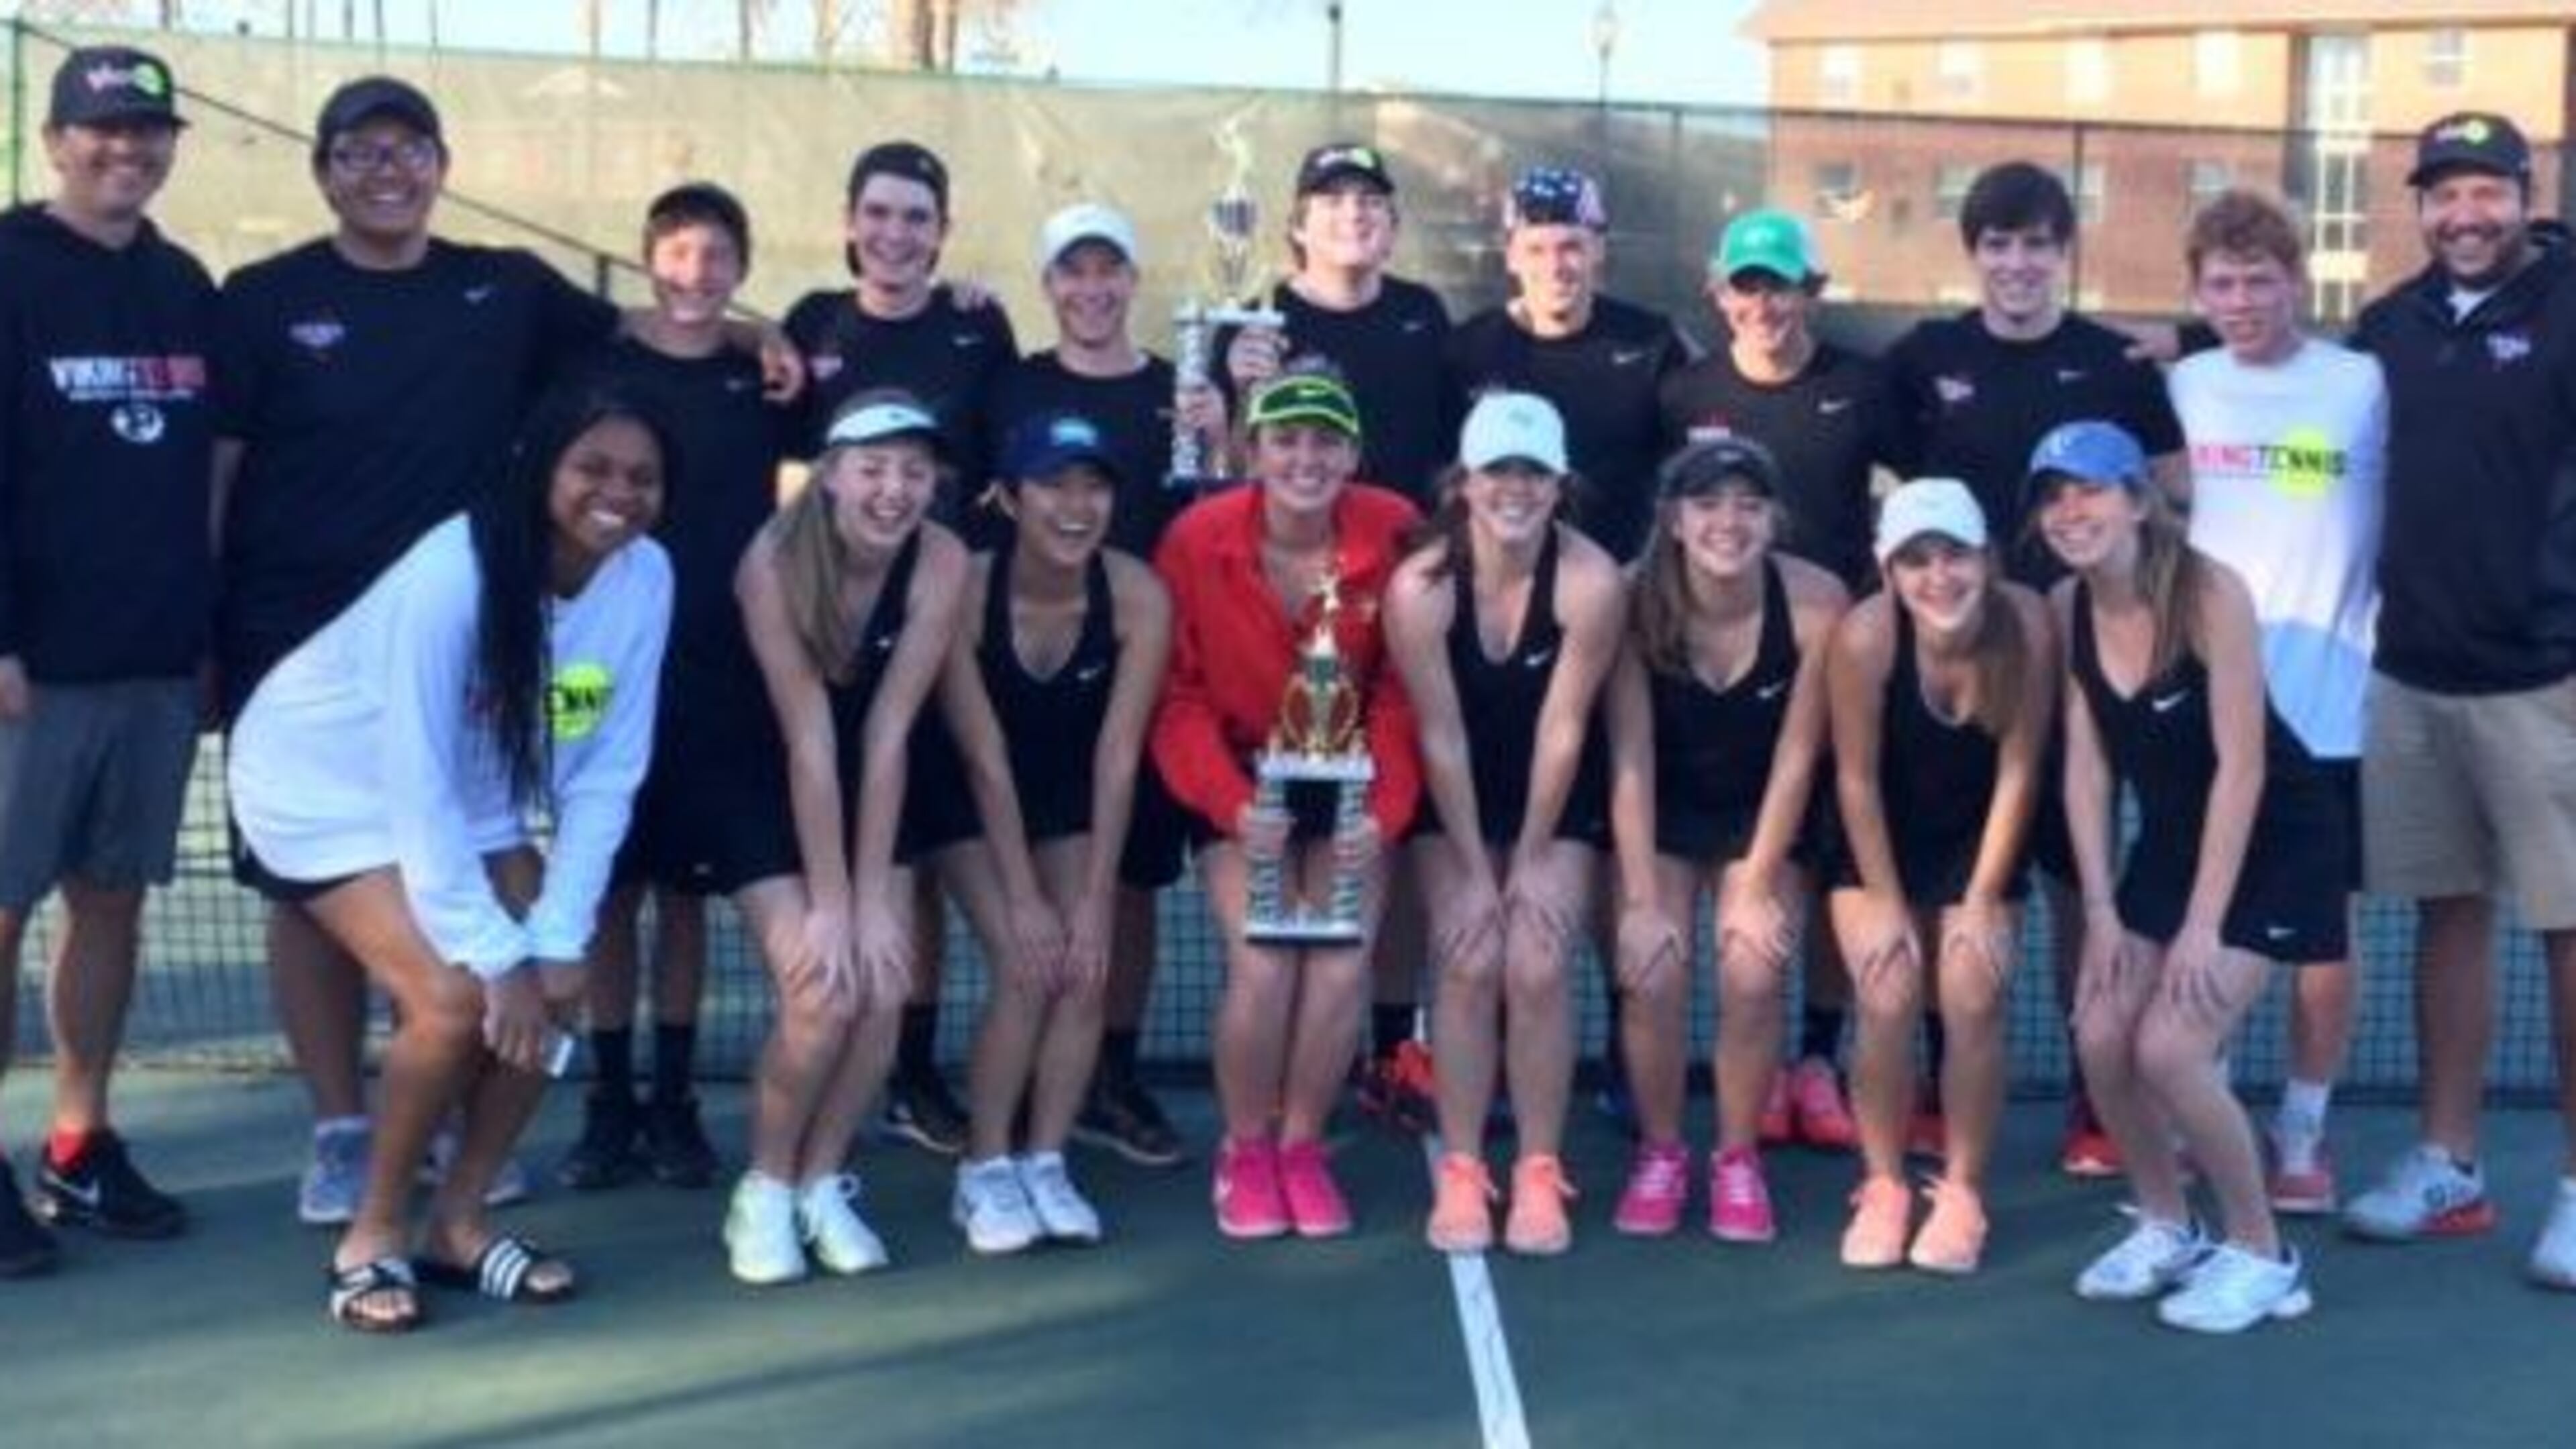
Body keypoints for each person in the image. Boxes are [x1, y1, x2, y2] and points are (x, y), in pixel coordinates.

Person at [214, 75, 783, 1225]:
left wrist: (753, 329)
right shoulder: (265, 297)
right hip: (313, 682)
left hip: (480, 666)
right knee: (379, 945)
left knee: (517, 967)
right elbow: (220, 466)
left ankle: (453, 1181)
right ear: (325, 170)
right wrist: (210, 627)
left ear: (441, 164)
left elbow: (637, 332)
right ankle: (347, 1140)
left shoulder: (507, 290)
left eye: (409, 148)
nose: (386, 170)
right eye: (361, 151)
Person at [227, 383, 674, 1332]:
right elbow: (415, 779)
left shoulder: (648, 579)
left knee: (564, 986)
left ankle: (459, 1224)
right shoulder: (454, 573)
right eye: (593, 468)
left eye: (643, 477)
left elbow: (608, 773)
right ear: (541, 469)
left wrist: (556, 935)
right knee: (453, 999)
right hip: (323, 786)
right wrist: (491, 949)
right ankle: (373, 1234)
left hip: (472, 794)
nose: (619, 493)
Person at [1883, 161, 2186, 1177]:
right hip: (1949, 671)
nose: (2018, 264)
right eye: (1998, 245)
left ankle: (2098, 1101)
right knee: (1948, 880)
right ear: (1974, 254)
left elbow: (2174, 494)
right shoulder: (1925, 357)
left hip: (2078, 671)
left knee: (2072, 879)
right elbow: (1881, 485)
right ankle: (1933, 1082)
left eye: (2037, 245)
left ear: (2066, 253)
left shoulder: (2117, 363)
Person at [2343, 112, 2576, 1291]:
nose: (2464, 215)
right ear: (2420, 206)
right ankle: (2451, 1163)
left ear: (2524, 195)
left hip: (2550, 679)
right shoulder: (2389, 326)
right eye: (2444, 195)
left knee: (2572, 931)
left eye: (2486, 192)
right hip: (2415, 675)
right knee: (2446, 916)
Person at [0, 45, 211, 1275]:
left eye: (147, 131)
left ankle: (78, 1148)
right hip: (31, 670)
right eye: (102, 131)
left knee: (112, 904)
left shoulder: (185, 286)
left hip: (153, 664)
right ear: (54, 141)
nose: (125, 150)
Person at [2035, 420, 2318, 1333]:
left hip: (2278, 840)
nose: (2069, 512)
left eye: (2089, 489)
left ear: (2138, 501)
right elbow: (2084, 765)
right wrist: (2105, 913)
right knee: (2101, 1030)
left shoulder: (2209, 593)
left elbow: (2244, 766)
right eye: (2051, 495)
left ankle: (2265, 1254)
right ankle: (2167, 1224)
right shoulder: (2064, 605)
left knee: (2170, 1049)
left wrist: (2202, 926)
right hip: (2165, 847)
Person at [1658, 207, 1912, 1150]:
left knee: (1823, 861)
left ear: (1814, 291)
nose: (1764, 304)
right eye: (1746, 285)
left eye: (1781, 285)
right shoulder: (1684, 395)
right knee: (1723, 893)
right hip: (1715, 670)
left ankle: (1813, 1062)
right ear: (1720, 295)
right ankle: (1740, 1078)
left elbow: (1921, 494)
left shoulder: (1863, 386)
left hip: (1835, 666)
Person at [554, 182, 790, 1194]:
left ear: (742, 268)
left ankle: (675, 1102)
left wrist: (762, 333)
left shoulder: (765, 379)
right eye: (681, 254)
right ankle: (609, 1104)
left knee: (687, 906)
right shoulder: (597, 364)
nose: (698, 274)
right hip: (600, 669)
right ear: (651, 258)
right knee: (607, 891)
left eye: (719, 257)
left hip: (718, 675)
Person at [783, 140, 1016, 1156]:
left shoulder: (977, 326)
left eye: (917, 218)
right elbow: (786, 477)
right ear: (848, 222)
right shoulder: (808, 325)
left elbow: (1002, 458)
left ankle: (913, 1071)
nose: (896, 234)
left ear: (943, 232)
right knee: (857, 864)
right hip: (825, 637)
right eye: (878, 214)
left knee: (918, 861)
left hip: (945, 624)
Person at [1151, 364, 1421, 1238]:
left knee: (1341, 959)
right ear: (1251, 451)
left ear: (1353, 454)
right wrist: (1235, 808)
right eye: (1286, 440)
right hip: (1241, 784)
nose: (1306, 458)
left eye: (1326, 441)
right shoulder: (1195, 538)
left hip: (1352, 787)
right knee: (1266, 959)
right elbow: (1179, 698)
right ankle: (1245, 1146)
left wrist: (1382, 810)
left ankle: (1301, 1146)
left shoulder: (1396, 530)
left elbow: (1397, 690)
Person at [1223, 144, 1456, 1126]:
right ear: (1296, 224)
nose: (1353, 215)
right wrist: (1230, 385)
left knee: (1387, 852)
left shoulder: (1423, 318)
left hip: (1393, 600)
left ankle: (1394, 1044)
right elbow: (1212, 454)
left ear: (1392, 224)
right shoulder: (1252, 316)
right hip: (1276, 617)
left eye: (1370, 201)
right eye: (1332, 200)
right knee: (1278, 925)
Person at [2167, 189, 2386, 1216]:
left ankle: (2302, 1133)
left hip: (2334, 709)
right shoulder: (2187, 383)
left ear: (2299, 281)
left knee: (2322, 938)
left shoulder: (2364, 385)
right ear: (2198, 292)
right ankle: (2180, 1107)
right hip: (2209, 707)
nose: (2244, 299)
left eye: (2262, 279)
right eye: (2223, 282)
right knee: (2184, 904)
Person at [720, 391, 971, 1285]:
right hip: (759, 779)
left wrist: (871, 901)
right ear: (830, 476)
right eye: (872, 469)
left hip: (871, 781)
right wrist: (834, 905)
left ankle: (822, 1182)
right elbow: (809, 737)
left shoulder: (942, 560)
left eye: (912, 471)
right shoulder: (773, 560)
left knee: (886, 979)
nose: (894, 490)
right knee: (823, 989)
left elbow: (887, 732)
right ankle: (765, 1186)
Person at [913, 409, 1172, 1252]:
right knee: (1030, 965)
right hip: (964, 804)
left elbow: (1118, 757)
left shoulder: (1135, 594)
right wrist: (1024, 901)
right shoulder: (963, 590)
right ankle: (983, 1170)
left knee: (1084, 970)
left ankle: (1045, 1160)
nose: (1076, 505)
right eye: (1053, 485)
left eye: (1093, 486)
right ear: (1009, 498)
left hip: (1070, 802)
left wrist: (1096, 904)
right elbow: (982, 753)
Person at [987, 203, 1211, 1169]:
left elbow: (1227, 509)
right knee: (1025, 887)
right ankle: (1001, 1091)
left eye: (1107, 271)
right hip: (1022, 682)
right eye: (1071, 272)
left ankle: (1106, 1077)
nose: (1091, 289)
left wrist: (1229, 436)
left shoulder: (1183, 389)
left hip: (1143, 676)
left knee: (1127, 890)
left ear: (1132, 281)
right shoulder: (1008, 387)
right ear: (1047, 286)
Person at [1386, 393, 1623, 1256]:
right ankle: (1460, 1166)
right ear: (1464, 483)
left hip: (1553, 802)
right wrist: (1477, 873)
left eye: (1532, 473)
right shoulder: (1419, 587)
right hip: (1453, 800)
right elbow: (1439, 734)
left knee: (1536, 956)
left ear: (1560, 484)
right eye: (1497, 473)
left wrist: (1524, 861)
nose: (1514, 490)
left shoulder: (1592, 582)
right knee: (1467, 952)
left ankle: (1535, 1168)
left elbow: (1564, 730)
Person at [1605, 438, 1847, 1242]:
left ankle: (1737, 1158)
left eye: (1748, 504)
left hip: (1764, 818)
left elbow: (1799, 752)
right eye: (1708, 504)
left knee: (1752, 970)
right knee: (1653, 971)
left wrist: (1754, 882)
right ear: (1674, 519)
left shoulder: (1817, 603)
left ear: (1774, 518)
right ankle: (1664, 1152)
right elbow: (1630, 754)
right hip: (1664, 813)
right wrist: (1639, 899)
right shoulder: (1633, 599)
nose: (1728, 522)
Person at [1825, 478, 2051, 1274]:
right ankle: (1884, 1184)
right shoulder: (1864, 639)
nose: (1938, 576)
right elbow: (1853, 781)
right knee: (1887, 992)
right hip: (1876, 835)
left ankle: (1961, 1190)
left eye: (1954, 555)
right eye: (1916, 561)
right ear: (1889, 573)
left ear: (1986, 559)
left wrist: (1986, 899)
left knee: (1973, 991)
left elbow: (2021, 768)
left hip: (1978, 835)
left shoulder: (2026, 624)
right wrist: (1886, 903)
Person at [1447, 166, 1687, 564]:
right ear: (1511, 256)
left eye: (1571, 247)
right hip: (1501, 587)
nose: (1555, 266)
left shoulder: (1652, 344)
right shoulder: (1469, 350)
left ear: (1599, 250)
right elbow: (1448, 478)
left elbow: (1684, 476)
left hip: (1623, 584)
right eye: (1536, 250)